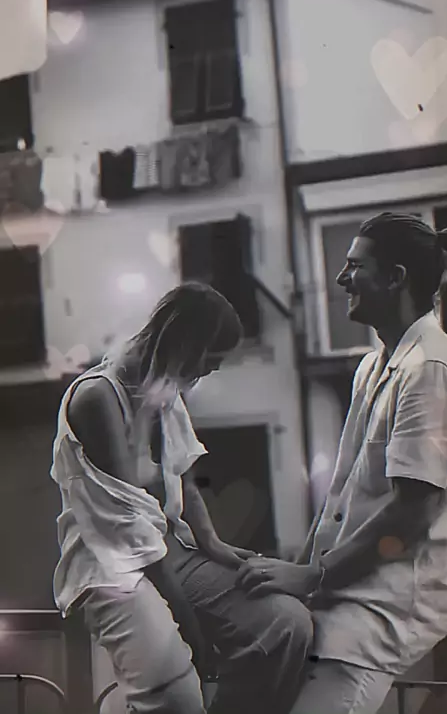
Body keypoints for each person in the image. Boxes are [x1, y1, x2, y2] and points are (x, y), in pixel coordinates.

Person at [236, 212, 447, 714]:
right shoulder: (375, 364)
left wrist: (312, 577)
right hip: (345, 599)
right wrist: (302, 572)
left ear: (395, 278)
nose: (342, 278)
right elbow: (342, 496)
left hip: (383, 610)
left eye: (355, 266)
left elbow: (410, 515)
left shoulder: (432, 370)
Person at [51, 281, 313, 714]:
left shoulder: (164, 390)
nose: (213, 370)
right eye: (211, 359)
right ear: (186, 342)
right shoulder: (98, 397)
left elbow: (185, 480)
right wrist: (190, 626)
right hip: (115, 568)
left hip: (173, 554)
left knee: (287, 626)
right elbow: (132, 530)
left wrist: (213, 544)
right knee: (176, 696)